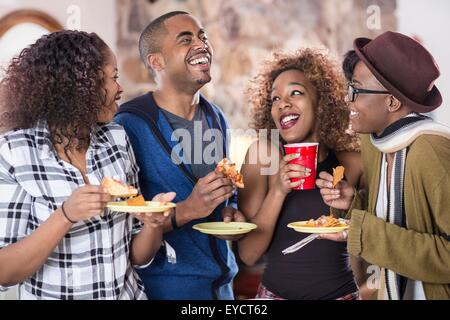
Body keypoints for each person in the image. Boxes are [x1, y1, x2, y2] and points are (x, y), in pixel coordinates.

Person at [0, 30, 174, 300]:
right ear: (78, 85)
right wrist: (65, 215)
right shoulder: (15, 152)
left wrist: (153, 224)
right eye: (113, 78)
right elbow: (4, 272)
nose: (120, 88)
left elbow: (136, 256)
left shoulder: (116, 138)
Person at [114, 11, 244, 300]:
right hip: (166, 290)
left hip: (223, 289)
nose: (201, 45)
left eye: (203, 37)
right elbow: (122, 228)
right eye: (186, 40)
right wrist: (188, 209)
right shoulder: (129, 125)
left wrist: (229, 211)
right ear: (156, 61)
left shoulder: (216, 116)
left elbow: (226, 191)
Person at [316, 31, 450, 299]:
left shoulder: (431, 151)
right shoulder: (375, 144)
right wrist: (354, 203)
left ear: (392, 101)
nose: (347, 99)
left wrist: (359, 231)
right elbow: (397, 215)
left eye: (356, 89)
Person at [237, 48, 363, 299]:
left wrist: (352, 205)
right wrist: (278, 191)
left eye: (296, 92)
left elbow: (376, 244)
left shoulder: (354, 163)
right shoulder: (262, 155)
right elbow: (248, 254)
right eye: (274, 98)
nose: (282, 103)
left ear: (322, 102)